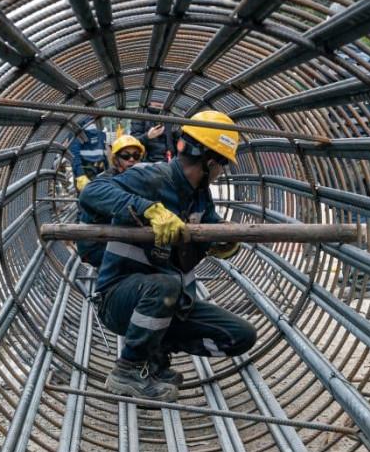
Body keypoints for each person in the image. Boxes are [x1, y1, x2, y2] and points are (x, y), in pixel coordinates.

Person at [81, 110, 256, 402]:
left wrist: (223, 239)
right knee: (165, 285)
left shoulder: (200, 196)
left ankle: (155, 354)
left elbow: (211, 226)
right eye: (221, 167)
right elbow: (93, 192)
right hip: (119, 300)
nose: (219, 173)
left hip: (170, 304)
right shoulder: (150, 177)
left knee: (240, 335)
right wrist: (146, 208)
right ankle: (128, 369)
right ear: (212, 162)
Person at [75, 134, 145, 267]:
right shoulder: (107, 181)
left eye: (136, 156)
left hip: (108, 240)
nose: (132, 160)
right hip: (94, 247)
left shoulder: (132, 179)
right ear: (116, 160)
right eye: (126, 156)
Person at [70, 118, 108, 193]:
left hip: (99, 168)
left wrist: (107, 168)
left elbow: (102, 147)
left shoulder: (98, 120)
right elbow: (74, 153)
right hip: (85, 169)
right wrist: (80, 174)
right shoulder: (79, 121)